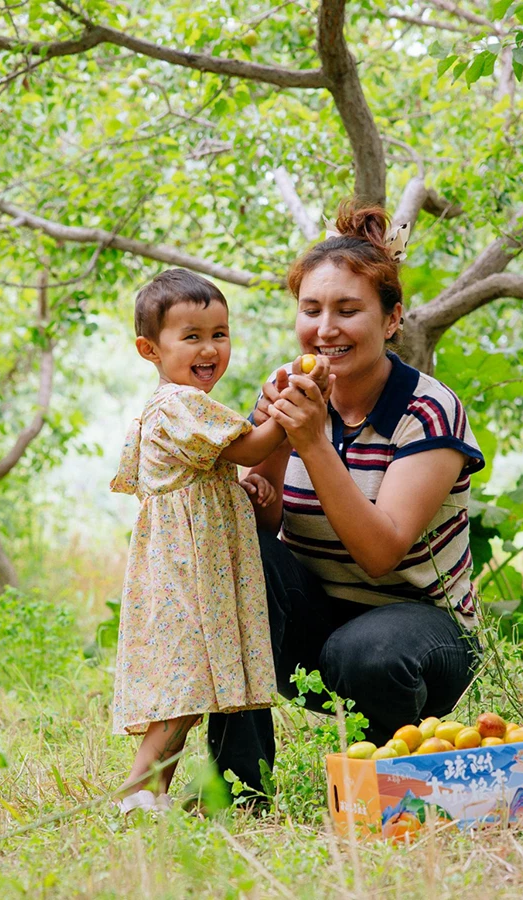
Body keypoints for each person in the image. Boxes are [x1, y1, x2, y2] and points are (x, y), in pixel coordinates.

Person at [207, 203, 485, 795]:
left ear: (391, 321)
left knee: (365, 651)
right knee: (230, 549)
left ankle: (393, 774)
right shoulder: (287, 388)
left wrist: (312, 442)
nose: (325, 328)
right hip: (318, 620)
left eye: (348, 310)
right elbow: (270, 517)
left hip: (422, 635)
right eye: (311, 310)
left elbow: (381, 552)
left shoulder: (427, 411)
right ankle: (238, 783)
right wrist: (262, 484)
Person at [109, 268, 331, 814]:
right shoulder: (181, 403)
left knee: (190, 685)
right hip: (189, 572)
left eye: (219, 333)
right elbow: (252, 443)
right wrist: (295, 405)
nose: (210, 348)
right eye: (191, 337)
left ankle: (152, 797)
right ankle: (136, 793)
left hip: (188, 565)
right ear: (149, 349)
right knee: (183, 689)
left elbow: (209, 471)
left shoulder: (178, 405)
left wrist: (240, 485)